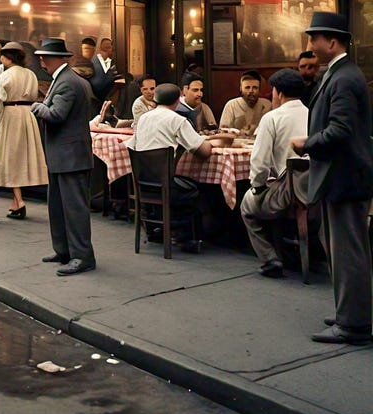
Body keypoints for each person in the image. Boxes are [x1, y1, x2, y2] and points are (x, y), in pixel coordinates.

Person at [292, 12, 373, 345]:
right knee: (341, 248)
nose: (311, 45)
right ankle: (350, 312)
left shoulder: (343, 78)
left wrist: (305, 143)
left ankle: (353, 324)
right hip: (340, 176)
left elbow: (339, 131)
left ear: (333, 41)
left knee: (348, 250)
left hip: (345, 177)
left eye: (315, 38)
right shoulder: (338, 74)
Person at [31, 38, 95, 275]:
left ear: (59, 58)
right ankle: (64, 250)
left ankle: (82, 256)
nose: (41, 60)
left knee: (74, 208)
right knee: (58, 206)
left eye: (45, 56)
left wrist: (35, 106)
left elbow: (56, 114)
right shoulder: (65, 79)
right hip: (64, 154)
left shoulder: (67, 82)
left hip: (70, 156)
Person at [239, 69, 309, 278]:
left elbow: (260, 163)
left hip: (286, 196)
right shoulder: (314, 113)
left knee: (246, 206)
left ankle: (270, 259)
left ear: (278, 92)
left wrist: (257, 187)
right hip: (316, 192)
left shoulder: (272, 117)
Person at [127, 83, 212, 252]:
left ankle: (156, 229)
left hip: (142, 183)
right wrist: (210, 142)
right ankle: (183, 236)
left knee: (178, 183)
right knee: (194, 188)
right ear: (177, 101)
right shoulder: (177, 119)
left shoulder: (144, 118)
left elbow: (133, 145)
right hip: (167, 185)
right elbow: (203, 151)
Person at [0, 42, 48, 219]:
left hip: (11, 116)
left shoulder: (6, 75)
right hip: (27, 115)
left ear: (9, 57)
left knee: (11, 157)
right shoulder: (31, 75)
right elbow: (35, 95)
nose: (1, 58)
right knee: (23, 157)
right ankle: (17, 200)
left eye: (3, 56)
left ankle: (19, 201)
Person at [219, 71, 272, 137]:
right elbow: (223, 131)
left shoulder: (267, 105)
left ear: (259, 89)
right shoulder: (231, 105)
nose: (251, 91)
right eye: (247, 87)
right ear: (241, 88)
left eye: (255, 88)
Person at [89, 36, 117, 108]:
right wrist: (111, 75)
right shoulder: (97, 63)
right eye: (112, 49)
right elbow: (99, 85)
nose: (114, 52)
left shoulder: (105, 62)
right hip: (97, 104)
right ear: (106, 48)